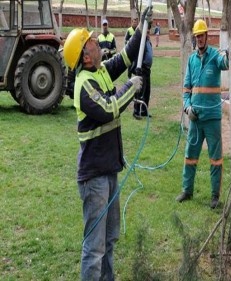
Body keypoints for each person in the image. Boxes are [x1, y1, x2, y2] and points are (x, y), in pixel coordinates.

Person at [62, 7, 152, 280]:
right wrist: (131, 87)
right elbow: (110, 108)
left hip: (109, 171)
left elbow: (124, 58)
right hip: (94, 178)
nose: (96, 42)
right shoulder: (84, 84)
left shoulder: (99, 71)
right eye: (90, 41)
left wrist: (141, 28)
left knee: (109, 240)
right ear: (85, 56)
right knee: (94, 248)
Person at [175, 19, 229, 209]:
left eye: (202, 35)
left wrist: (229, 52)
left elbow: (226, 63)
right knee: (190, 156)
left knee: (215, 158)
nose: (199, 39)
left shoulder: (215, 56)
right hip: (195, 117)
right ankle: (187, 190)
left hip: (212, 117)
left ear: (207, 36)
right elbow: (187, 87)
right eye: (197, 36)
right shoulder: (191, 60)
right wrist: (187, 108)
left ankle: (215, 196)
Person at [132, 23, 153, 119]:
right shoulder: (141, 43)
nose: (147, 34)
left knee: (147, 92)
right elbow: (136, 56)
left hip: (148, 70)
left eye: (148, 32)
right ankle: (136, 111)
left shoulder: (149, 42)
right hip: (142, 70)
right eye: (146, 32)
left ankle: (144, 111)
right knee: (140, 91)